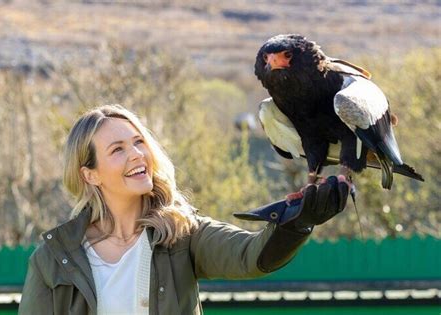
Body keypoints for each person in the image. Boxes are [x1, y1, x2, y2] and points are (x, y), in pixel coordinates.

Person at [19, 104, 349, 315]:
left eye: (138, 142)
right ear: (89, 174)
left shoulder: (180, 234)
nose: (136, 155)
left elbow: (252, 256)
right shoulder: (54, 257)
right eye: (117, 150)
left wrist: (298, 223)